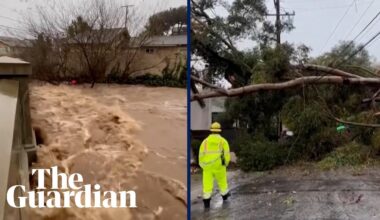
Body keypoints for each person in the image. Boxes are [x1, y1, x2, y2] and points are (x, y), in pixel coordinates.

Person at [198, 122, 231, 209]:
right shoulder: (223, 141)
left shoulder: (204, 142)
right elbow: (227, 155)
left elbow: (200, 155)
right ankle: (224, 196)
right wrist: (225, 164)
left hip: (207, 167)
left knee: (207, 184)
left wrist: (203, 165)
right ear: (219, 131)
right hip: (219, 165)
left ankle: (206, 202)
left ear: (211, 131)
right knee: (222, 181)